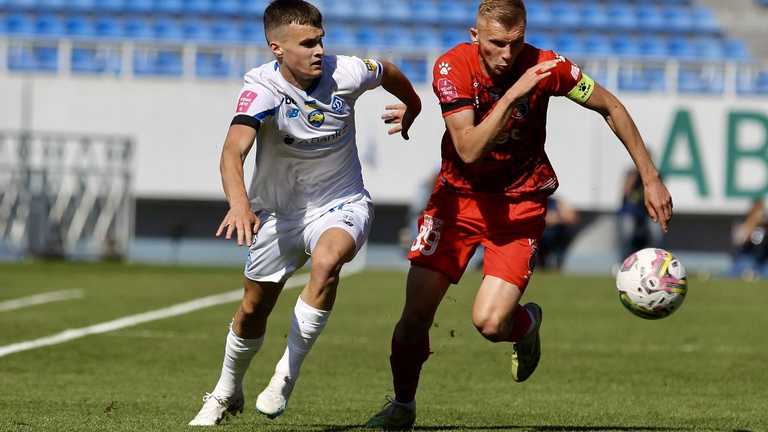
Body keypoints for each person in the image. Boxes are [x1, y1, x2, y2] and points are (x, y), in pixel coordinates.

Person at [365, 0, 673, 429]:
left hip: (519, 204)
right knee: (415, 315)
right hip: (457, 200)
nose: (508, 55)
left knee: (490, 323)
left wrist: (650, 176)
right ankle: (402, 406)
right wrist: (515, 94)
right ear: (476, 37)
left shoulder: (547, 67)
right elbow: (469, 149)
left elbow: (611, 106)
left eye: (516, 42)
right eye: (496, 44)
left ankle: (525, 325)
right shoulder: (451, 68)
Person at [188, 0, 421, 426]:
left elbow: (386, 70)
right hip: (278, 213)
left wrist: (414, 106)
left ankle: (285, 376)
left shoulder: (345, 72)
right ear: (276, 48)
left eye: (321, 40)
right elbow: (232, 150)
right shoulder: (261, 88)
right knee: (253, 309)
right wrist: (240, 204)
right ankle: (225, 390)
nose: (318, 50)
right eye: (307, 43)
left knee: (328, 261)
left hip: (341, 202)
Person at [616, 167, 663, 262]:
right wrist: (634, 177)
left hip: (648, 212)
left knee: (656, 234)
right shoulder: (631, 173)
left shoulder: (655, 175)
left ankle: (655, 262)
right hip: (631, 211)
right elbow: (625, 192)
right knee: (627, 234)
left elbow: (659, 191)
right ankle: (623, 262)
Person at [728, 198, 767, 279]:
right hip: (747, 258)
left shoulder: (765, 225)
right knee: (741, 267)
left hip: (764, 260)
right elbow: (739, 240)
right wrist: (753, 222)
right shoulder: (743, 222)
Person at [538, 195, 579, 270]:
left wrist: (554, 218)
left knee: (558, 257)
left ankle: (557, 267)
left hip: (558, 237)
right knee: (541, 261)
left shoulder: (558, 202)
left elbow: (571, 218)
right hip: (541, 239)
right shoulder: (536, 202)